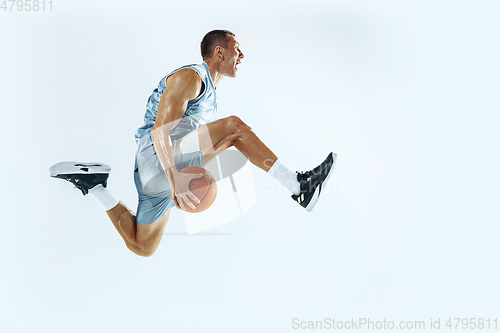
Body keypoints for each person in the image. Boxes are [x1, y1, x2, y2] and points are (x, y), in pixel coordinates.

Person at [49, 30, 336, 257]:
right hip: (158, 159)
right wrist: (175, 178)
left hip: (155, 175)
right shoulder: (191, 77)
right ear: (220, 51)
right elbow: (161, 131)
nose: (242, 55)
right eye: (237, 49)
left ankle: (96, 185)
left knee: (142, 246)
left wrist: (173, 179)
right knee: (234, 128)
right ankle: (300, 186)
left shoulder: (210, 95)